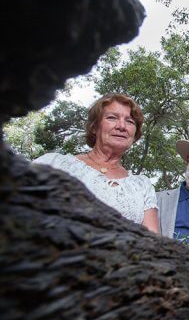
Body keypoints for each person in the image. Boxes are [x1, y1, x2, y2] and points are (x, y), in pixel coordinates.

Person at [33, 93, 159, 233]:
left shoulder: (142, 186)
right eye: (112, 118)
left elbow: (153, 239)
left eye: (130, 121)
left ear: (135, 134)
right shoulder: (54, 164)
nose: (122, 126)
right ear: (94, 127)